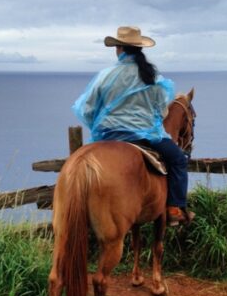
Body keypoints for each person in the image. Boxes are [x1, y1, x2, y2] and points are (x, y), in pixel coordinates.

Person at [73, 26, 194, 227]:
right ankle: (174, 208)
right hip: (145, 136)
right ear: (139, 49)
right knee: (179, 160)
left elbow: (86, 109)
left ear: (118, 49)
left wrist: (102, 126)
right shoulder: (151, 76)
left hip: (108, 136)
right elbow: (162, 110)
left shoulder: (105, 75)